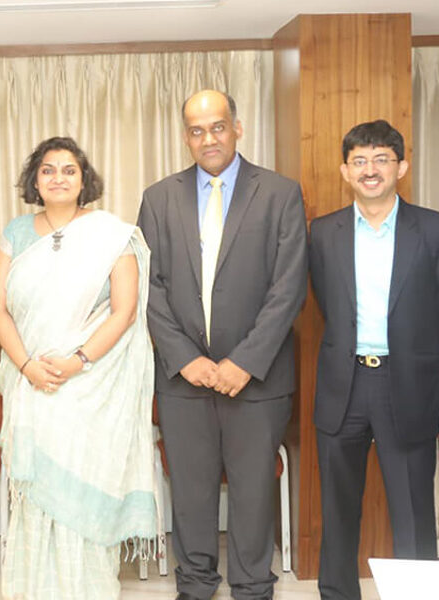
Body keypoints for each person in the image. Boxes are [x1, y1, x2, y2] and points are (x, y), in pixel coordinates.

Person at [137, 90, 307, 600]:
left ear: (237, 128)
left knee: (253, 493)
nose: (207, 138)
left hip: (257, 379)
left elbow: (289, 287)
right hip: (184, 379)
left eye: (217, 126)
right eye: (196, 130)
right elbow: (149, 286)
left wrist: (245, 361)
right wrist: (185, 358)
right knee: (190, 493)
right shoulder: (158, 198)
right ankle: (194, 585)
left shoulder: (279, 193)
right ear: (185, 137)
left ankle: (253, 588)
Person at [0, 136, 156, 599]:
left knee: (83, 486)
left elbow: (125, 311)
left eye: (69, 170)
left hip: (91, 387)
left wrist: (77, 361)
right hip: (32, 385)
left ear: (84, 180)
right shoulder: (16, 232)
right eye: (48, 169)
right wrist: (27, 366)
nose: (58, 178)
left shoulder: (112, 233)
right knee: (38, 493)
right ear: (35, 180)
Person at [309, 120, 439, 600]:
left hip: (407, 382)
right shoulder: (323, 232)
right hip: (344, 383)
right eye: (359, 161)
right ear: (345, 171)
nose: (369, 169)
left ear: (402, 167)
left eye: (381, 159)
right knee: (337, 510)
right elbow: (328, 303)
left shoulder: (436, 229)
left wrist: (410, 350)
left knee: (413, 511)